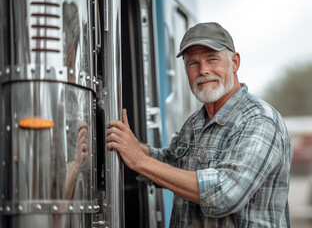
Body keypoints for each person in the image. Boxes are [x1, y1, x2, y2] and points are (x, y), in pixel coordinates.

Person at [106, 22, 293, 227]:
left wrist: (139, 159)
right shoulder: (195, 122)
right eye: (193, 63)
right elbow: (167, 165)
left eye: (212, 59)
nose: (203, 70)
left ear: (235, 62)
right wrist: (125, 144)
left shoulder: (259, 120)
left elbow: (225, 194)